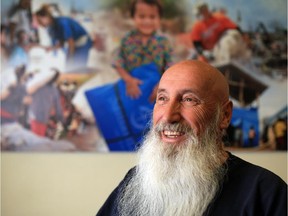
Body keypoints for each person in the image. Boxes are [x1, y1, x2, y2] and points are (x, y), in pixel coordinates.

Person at [96, 60, 287, 216]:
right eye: (162, 98)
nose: (169, 116)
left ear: (225, 115)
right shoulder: (136, 180)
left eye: (189, 99)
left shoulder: (264, 191)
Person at [112, 0, 173, 101]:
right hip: (132, 91)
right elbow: (118, 62)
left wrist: (162, 86)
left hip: (155, 93)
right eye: (142, 16)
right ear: (133, 17)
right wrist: (129, 80)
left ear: (159, 19)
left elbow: (171, 67)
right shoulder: (127, 39)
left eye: (152, 17)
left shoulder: (163, 42)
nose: (147, 21)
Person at [35, 5, 93, 71]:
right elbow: (61, 44)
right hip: (73, 44)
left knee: (77, 66)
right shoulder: (51, 28)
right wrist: (51, 48)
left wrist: (71, 59)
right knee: (68, 67)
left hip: (83, 42)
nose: (39, 23)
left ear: (46, 17)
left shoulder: (62, 22)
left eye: (39, 20)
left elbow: (71, 42)